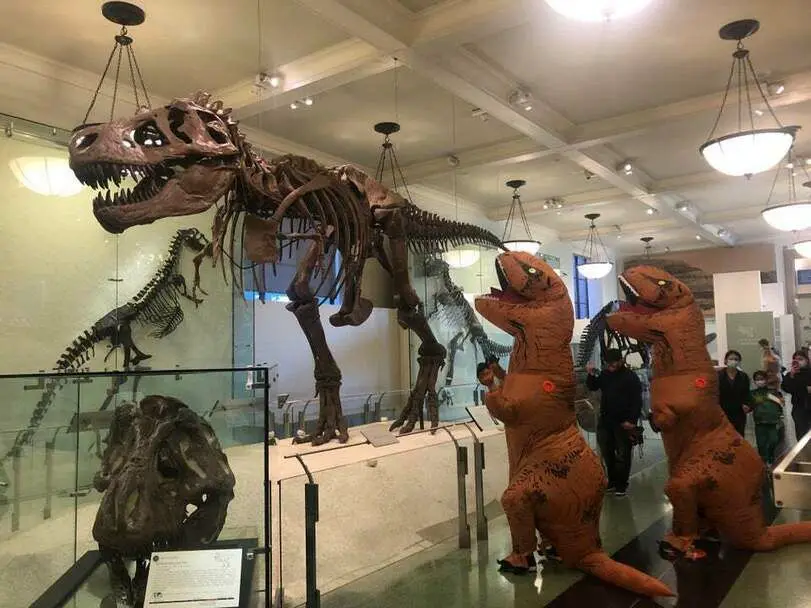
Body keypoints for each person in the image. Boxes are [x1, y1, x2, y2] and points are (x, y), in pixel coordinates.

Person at [586, 349, 642, 497]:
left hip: (623, 422)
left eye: (613, 363)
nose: (611, 366)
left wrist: (632, 420)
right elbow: (593, 386)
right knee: (607, 452)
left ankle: (621, 485)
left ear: (621, 361)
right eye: (608, 363)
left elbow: (637, 400)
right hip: (606, 421)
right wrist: (590, 374)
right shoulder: (605, 374)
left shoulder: (630, 377)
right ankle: (612, 481)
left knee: (623, 454)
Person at [749, 370, 785, 466]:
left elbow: (781, 404)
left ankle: (771, 456)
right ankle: (763, 463)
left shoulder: (774, 392)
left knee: (773, 441)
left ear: (766, 380)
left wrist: (780, 416)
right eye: (757, 379)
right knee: (761, 444)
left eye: (762, 379)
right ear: (754, 381)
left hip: (773, 422)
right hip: (760, 422)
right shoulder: (752, 393)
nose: (760, 381)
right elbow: (749, 406)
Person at [717, 350, 751, 437]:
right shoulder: (718, 375)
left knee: (738, 437)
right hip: (722, 412)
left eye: (736, 359)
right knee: (724, 436)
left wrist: (747, 404)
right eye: (731, 359)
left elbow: (747, 393)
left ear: (739, 362)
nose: (733, 361)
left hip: (739, 413)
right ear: (725, 360)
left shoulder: (743, 376)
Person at [781, 350, 811, 442]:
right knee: (802, 436)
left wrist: (801, 389)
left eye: (800, 359)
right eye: (795, 359)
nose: (798, 361)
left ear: (807, 360)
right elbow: (787, 388)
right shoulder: (791, 375)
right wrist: (792, 374)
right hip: (799, 409)